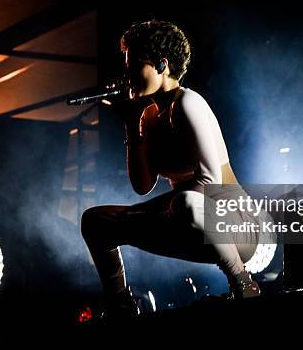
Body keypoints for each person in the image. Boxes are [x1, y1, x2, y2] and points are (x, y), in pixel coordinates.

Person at [81, 20, 262, 317]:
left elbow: (209, 181)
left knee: (186, 202)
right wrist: (132, 126)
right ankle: (121, 305)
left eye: (134, 65)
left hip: (234, 226)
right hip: (184, 221)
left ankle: (243, 282)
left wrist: (153, 212)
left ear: (161, 65)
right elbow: (142, 185)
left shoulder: (189, 103)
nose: (127, 74)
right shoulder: (148, 115)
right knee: (95, 221)